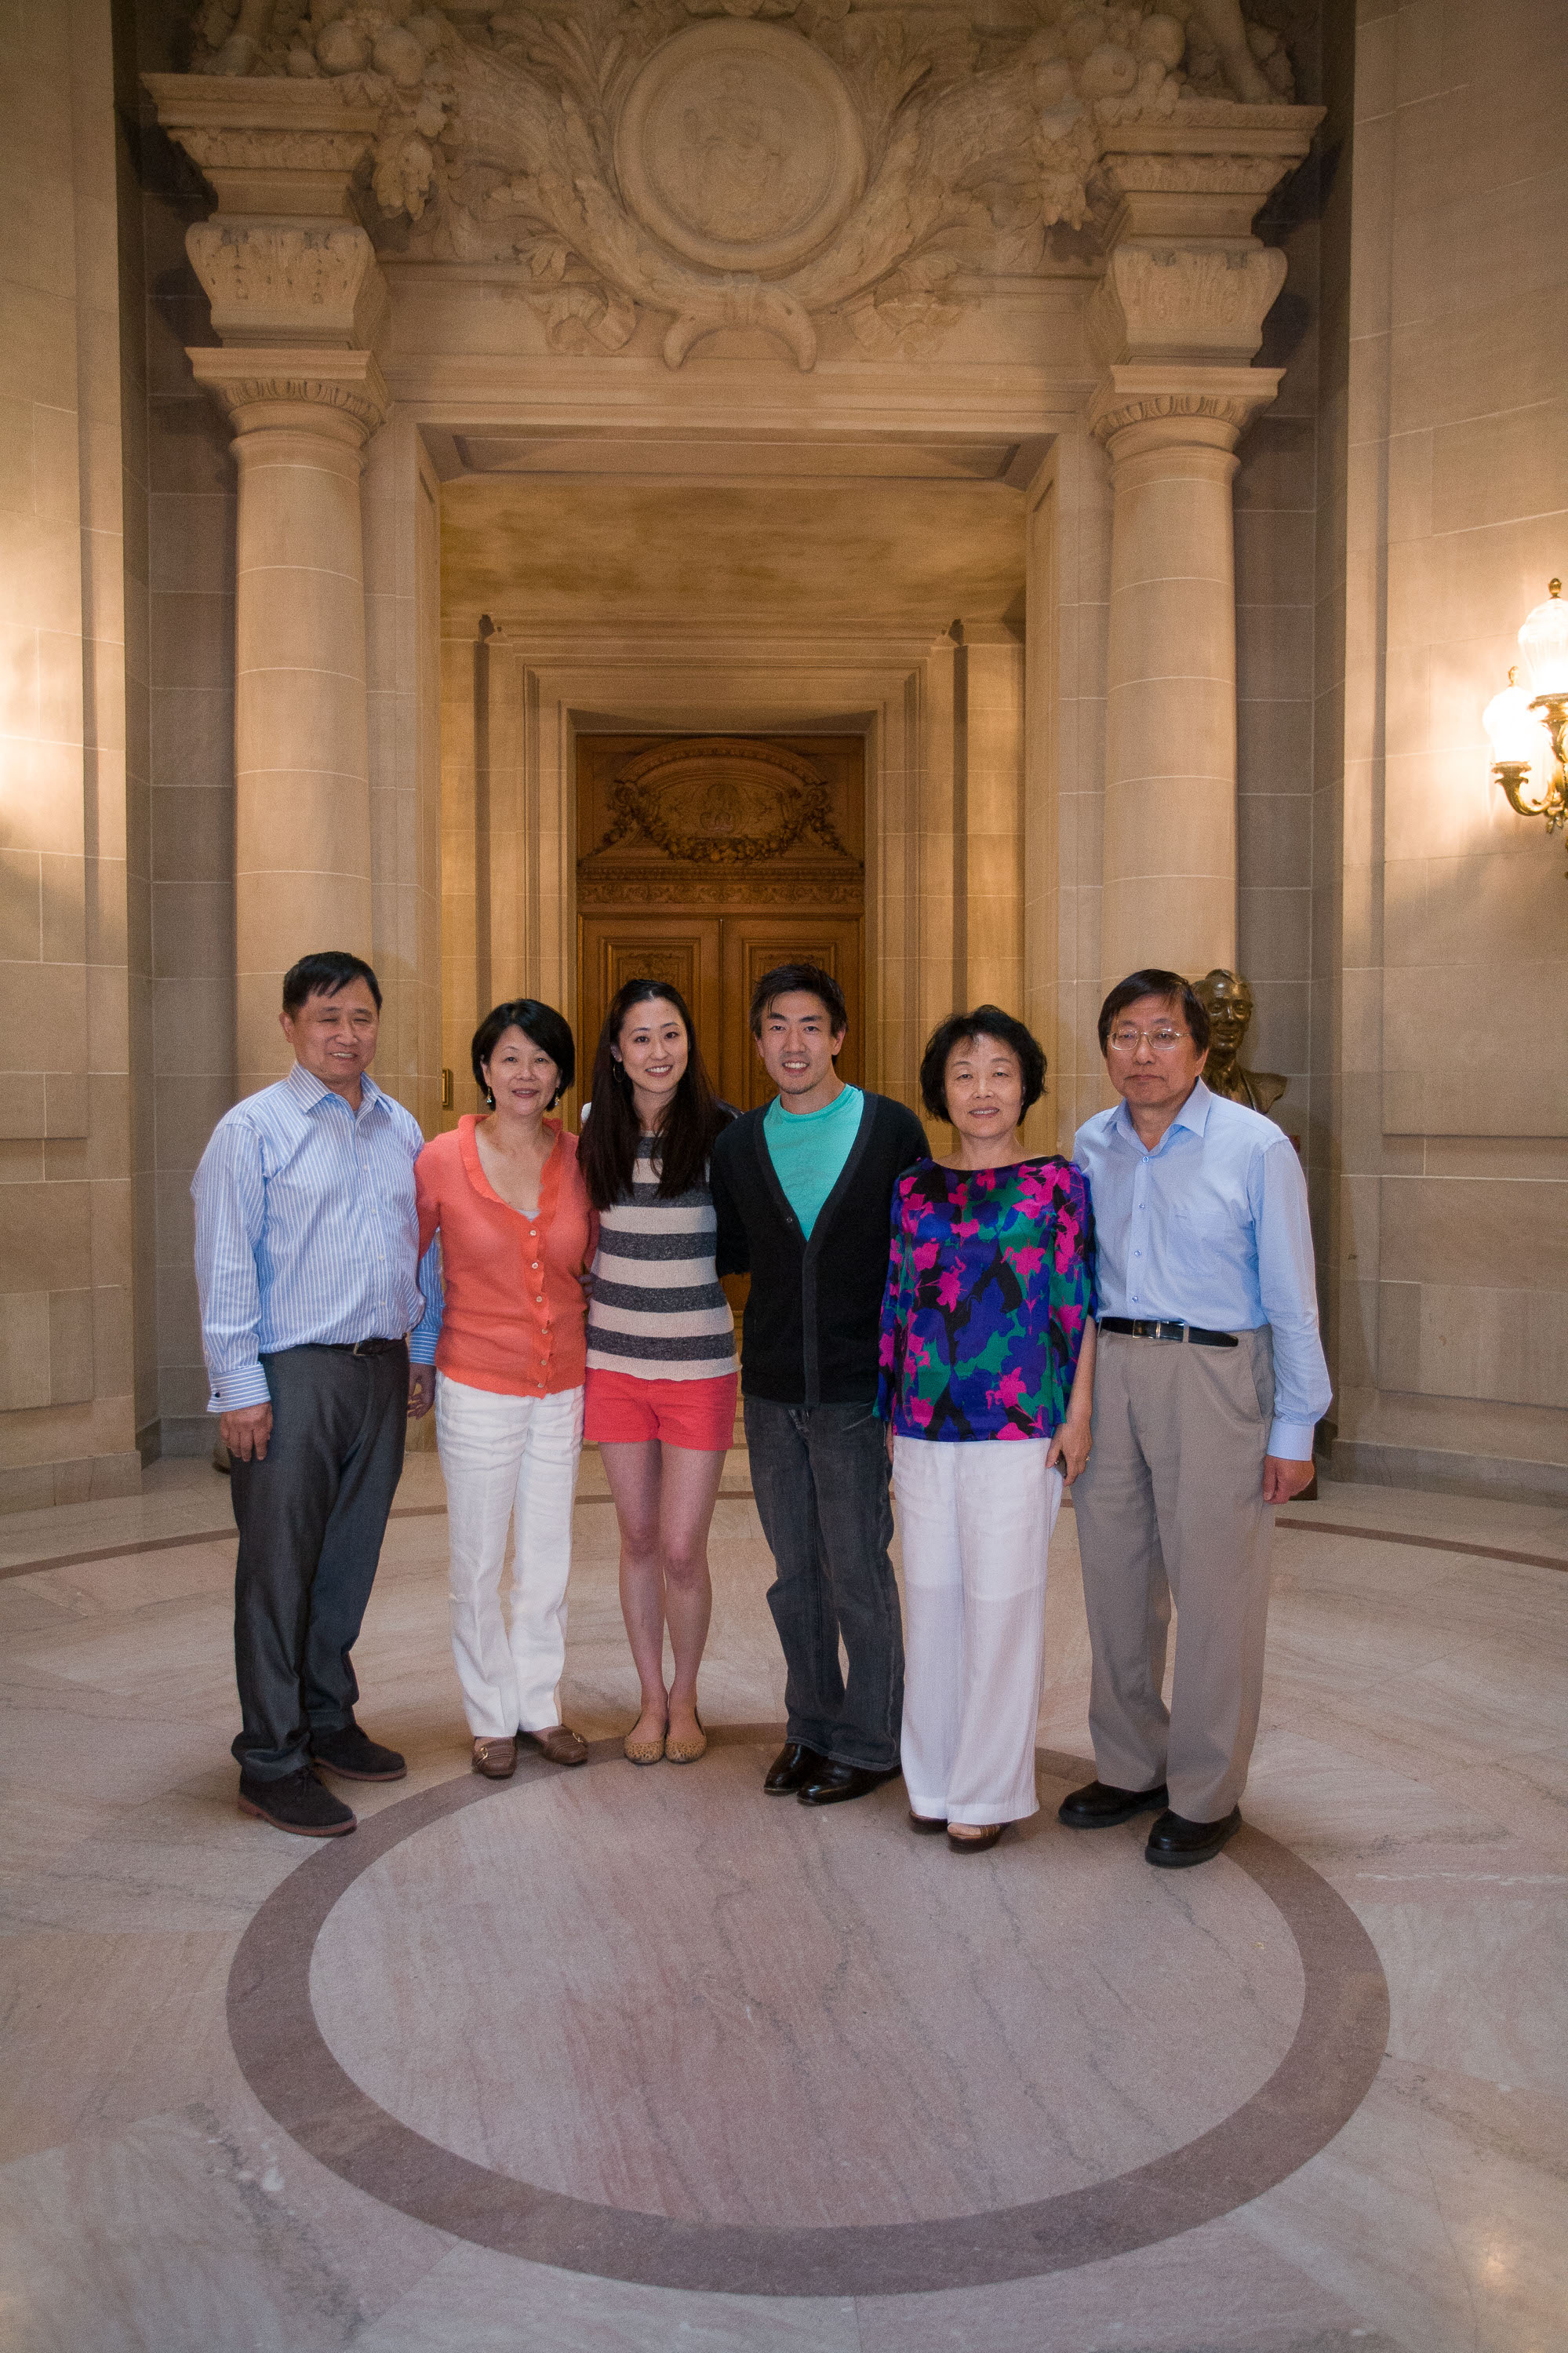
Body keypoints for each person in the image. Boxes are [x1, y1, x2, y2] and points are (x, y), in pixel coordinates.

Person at [1063, 968, 1331, 1868]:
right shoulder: (1087, 1145)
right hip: (1110, 1366)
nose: (1142, 1053)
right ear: (1105, 1048)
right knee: (1114, 1578)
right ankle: (1132, 1762)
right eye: (1124, 1035)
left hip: (1214, 1374)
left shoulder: (1254, 1147)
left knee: (1214, 1592)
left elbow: (1294, 1296)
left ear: (1201, 1048)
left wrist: (1295, 1426)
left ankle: (1207, 1790)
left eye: (1162, 1034)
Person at [192, 951, 426, 1839]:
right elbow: (223, 1263)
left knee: (348, 1560)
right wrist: (240, 1387)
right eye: (327, 1017)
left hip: (379, 1364)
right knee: (279, 1568)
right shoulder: (250, 1131)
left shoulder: (399, 1126)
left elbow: (419, 1248)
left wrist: (418, 1351)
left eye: (361, 1016)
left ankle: (328, 1715)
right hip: (292, 1374)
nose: (346, 1033)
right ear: (290, 1024)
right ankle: (272, 1757)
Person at [879, 1009, 1097, 1851]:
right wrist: (892, 1421)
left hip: (1021, 1425)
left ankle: (989, 1789)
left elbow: (1081, 1305)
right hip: (925, 1427)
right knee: (929, 1603)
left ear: (1025, 1086)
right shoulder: (911, 1189)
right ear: (941, 1088)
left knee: (1004, 1606)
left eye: (1000, 1071)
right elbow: (897, 1305)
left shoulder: (1059, 1184)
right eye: (964, 1073)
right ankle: (930, 1778)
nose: (982, 1089)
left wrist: (1077, 1415)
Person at [710, 962, 927, 1806]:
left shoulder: (890, 1128)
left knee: (856, 1568)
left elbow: (916, 1263)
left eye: (809, 1025)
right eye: (776, 1026)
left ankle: (872, 1738)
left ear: (839, 1036)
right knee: (792, 1569)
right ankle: (810, 1725)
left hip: (854, 1391)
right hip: (767, 1390)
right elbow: (731, 1252)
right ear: (760, 1041)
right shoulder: (735, 1145)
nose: (792, 1042)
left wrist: (900, 1384)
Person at [407, 1001, 596, 1780]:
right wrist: (418, 1357)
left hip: (562, 1384)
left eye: (542, 1060)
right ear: (485, 1066)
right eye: (510, 1057)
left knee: (548, 1555)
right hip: (475, 1380)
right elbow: (417, 1267)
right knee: (479, 1557)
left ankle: (539, 1705)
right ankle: (489, 1711)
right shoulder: (439, 1159)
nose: (526, 1074)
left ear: (560, 1074)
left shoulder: (583, 1157)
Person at [579, 980, 737, 1767]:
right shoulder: (586, 1134)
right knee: (637, 1535)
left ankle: (687, 1693)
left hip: (700, 1367)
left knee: (681, 1544)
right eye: (640, 1037)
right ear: (616, 1051)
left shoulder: (724, 1132)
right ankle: (650, 1697)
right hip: (613, 1364)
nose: (657, 1051)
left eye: (670, 1033)